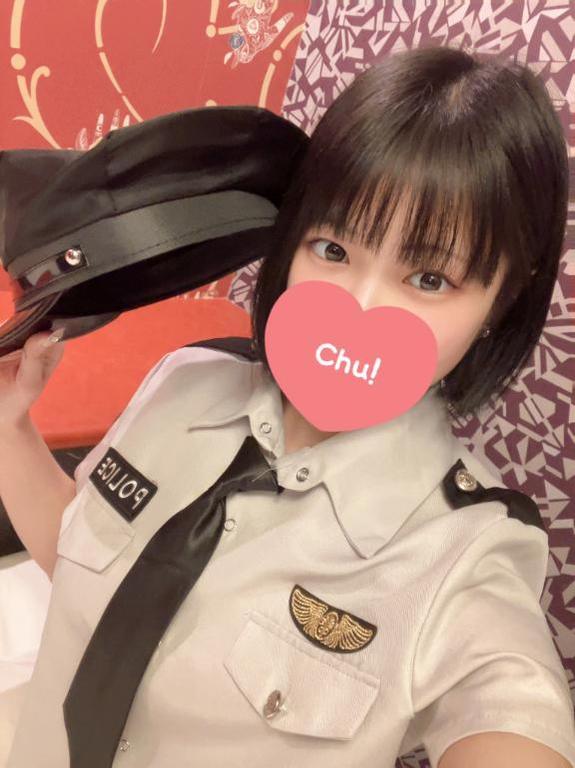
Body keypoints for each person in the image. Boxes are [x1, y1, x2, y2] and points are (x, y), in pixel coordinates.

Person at [1, 44, 574, 768]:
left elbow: (511, 712)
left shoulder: (469, 553)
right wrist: (8, 425)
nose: (358, 309)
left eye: (429, 278)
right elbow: (84, 565)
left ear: (503, 299)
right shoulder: (185, 381)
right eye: (332, 250)